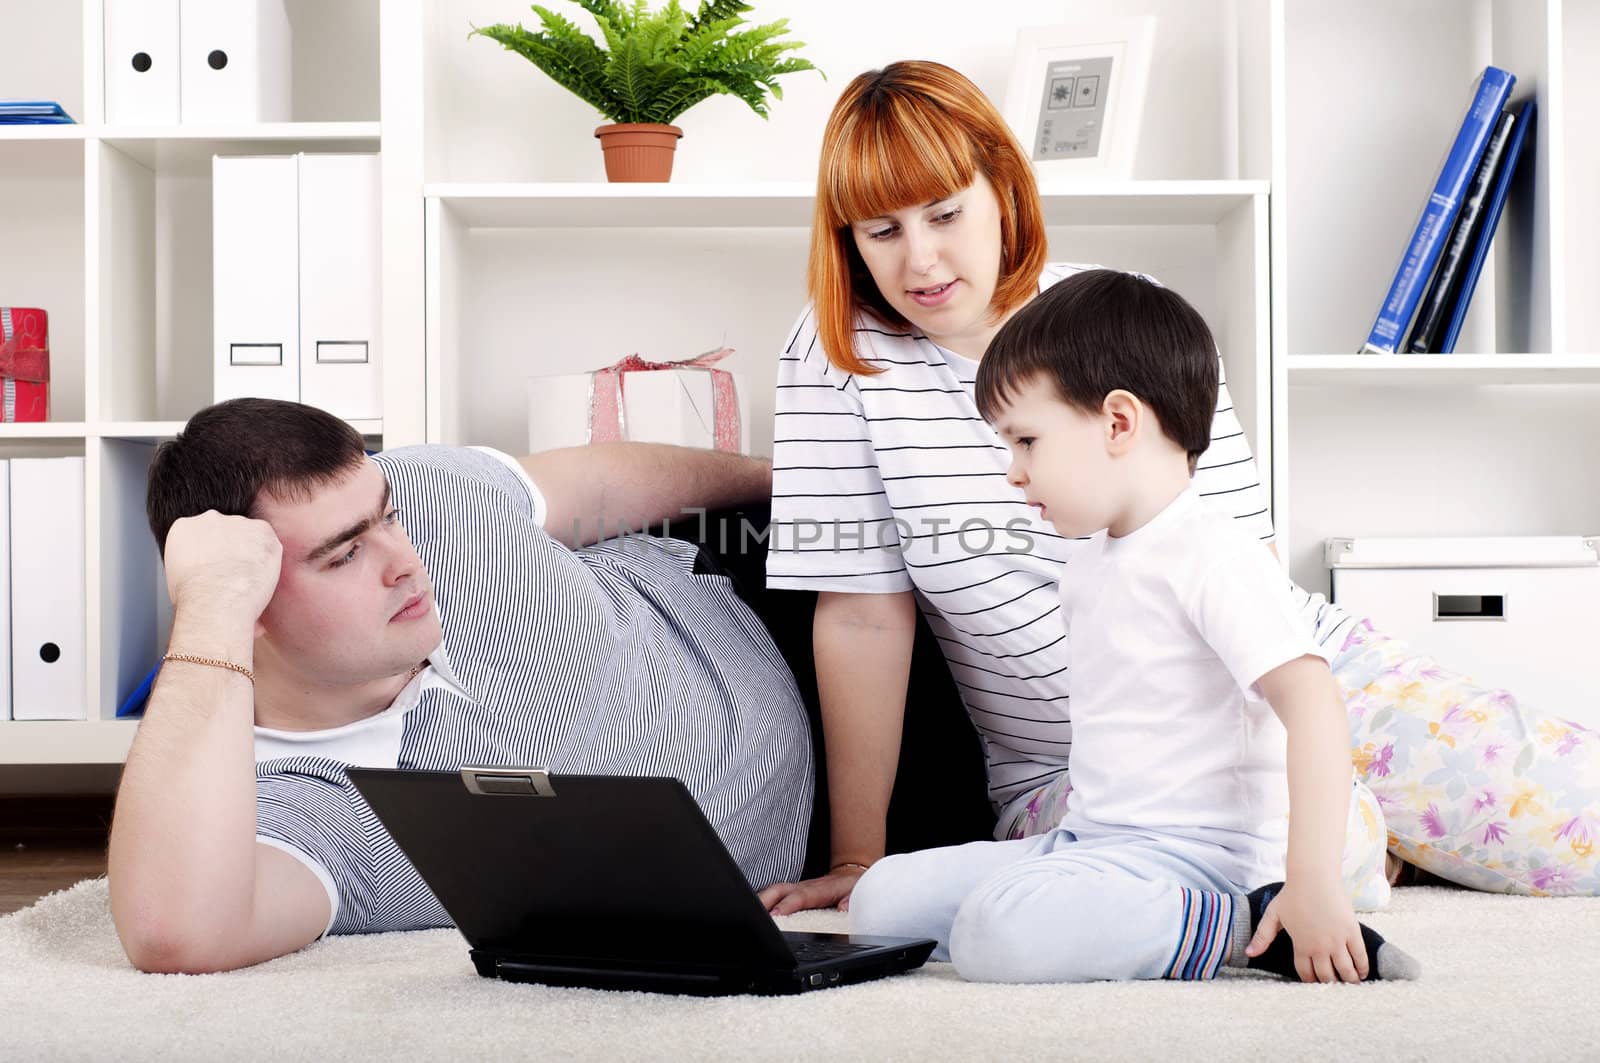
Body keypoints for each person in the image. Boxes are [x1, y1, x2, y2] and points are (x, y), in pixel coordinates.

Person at [757, 59, 1600, 916]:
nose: (921, 259)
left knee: (1575, 819)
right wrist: (858, 857)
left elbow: (1240, 560)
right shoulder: (835, 357)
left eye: (945, 213)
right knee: (1273, 878)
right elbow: (863, 613)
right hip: (1082, 777)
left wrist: (1279, 761)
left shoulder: (1127, 316)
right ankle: (1376, 845)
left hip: (1284, 683)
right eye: (881, 230)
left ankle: (1384, 835)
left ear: (1001, 189)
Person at [849, 268, 1420, 983]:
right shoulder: (1089, 557)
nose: (1012, 472)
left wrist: (1312, 881)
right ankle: (1116, 912)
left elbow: (1314, 704)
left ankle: (1249, 921)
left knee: (1000, 934)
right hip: (1093, 840)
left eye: (1025, 441)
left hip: (1206, 858)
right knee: (879, 901)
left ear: (1118, 422)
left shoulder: (1212, 552)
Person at [108, 398, 816, 974]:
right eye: (347, 553)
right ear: (247, 600)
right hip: (843, 821)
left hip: (757, 585)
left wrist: (780, 477)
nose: (406, 563)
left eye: (388, 516)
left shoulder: (414, 495)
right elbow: (174, 933)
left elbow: (596, 485)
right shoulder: (297, 807)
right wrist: (208, 610)